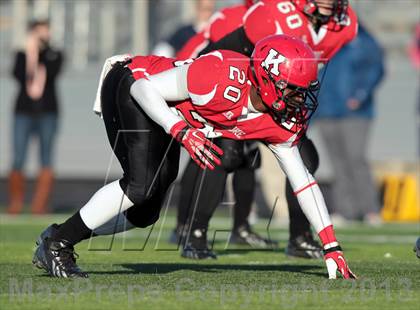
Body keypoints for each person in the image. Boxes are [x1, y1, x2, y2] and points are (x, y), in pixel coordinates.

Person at [32, 34, 355, 280]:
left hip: (169, 113)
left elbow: (303, 181)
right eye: (292, 90)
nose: (299, 99)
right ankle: (59, 244)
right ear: (268, 81)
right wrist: (181, 130)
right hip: (133, 84)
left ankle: (58, 234)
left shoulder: (278, 120)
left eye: (303, 90)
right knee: (141, 185)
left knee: (146, 214)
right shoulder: (220, 74)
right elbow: (143, 90)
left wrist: (331, 244)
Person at [171, 0, 358, 259]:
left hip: (283, 101)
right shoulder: (269, 14)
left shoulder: (344, 25)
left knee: (305, 159)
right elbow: (219, 55)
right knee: (225, 155)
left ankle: (299, 237)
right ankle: (194, 232)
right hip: (245, 92)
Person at [173, 0, 277, 255]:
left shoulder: (279, 17)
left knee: (249, 158)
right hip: (211, 90)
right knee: (210, 156)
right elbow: (213, 57)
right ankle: (186, 227)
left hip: (246, 94)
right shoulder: (230, 17)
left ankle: (241, 227)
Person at [315, 23, 384, 223]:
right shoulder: (321, 38)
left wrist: (359, 94)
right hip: (327, 110)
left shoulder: (362, 39)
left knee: (356, 159)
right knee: (337, 162)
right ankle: (346, 210)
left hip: (355, 113)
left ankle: (370, 209)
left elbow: (376, 68)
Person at [8, 20, 63, 215]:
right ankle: (15, 203)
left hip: (48, 112)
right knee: (18, 157)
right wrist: (30, 54)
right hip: (23, 111)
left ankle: (39, 204)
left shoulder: (54, 54)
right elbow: (19, 76)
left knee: (46, 158)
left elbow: (52, 73)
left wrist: (40, 54)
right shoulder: (21, 55)